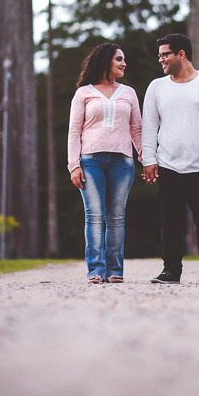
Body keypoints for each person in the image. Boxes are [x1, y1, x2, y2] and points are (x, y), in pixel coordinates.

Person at [142, 33, 199, 285]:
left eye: (165, 54)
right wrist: (148, 159)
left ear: (181, 54)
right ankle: (171, 271)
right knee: (170, 220)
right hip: (169, 164)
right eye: (160, 55)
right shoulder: (156, 87)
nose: (161, 59)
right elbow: (149, 126)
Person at [68, 43, 142, 284]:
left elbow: (137, 129)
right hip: (91, 161)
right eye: (119, 59)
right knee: (95, 215)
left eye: (124, 59)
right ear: (105, 61)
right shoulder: (83, 93)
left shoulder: (129, 93)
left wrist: (146, 158)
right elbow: (74, 131)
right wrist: (74, 165)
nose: (124, 63)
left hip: (122, 161)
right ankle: (96, 270)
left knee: (117, 217)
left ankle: (115, 270)